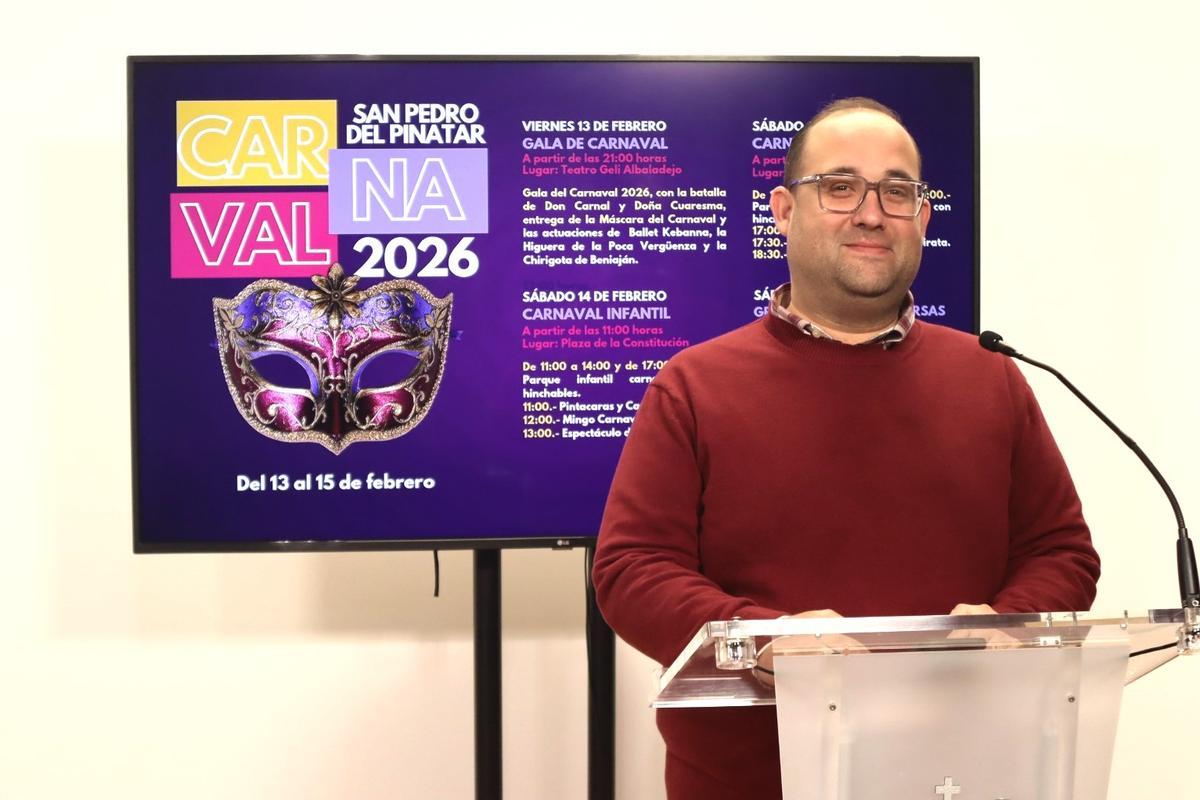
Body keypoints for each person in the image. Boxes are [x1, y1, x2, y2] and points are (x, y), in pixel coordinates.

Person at [590, 97, 1100, 799]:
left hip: (964, 768)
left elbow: (1062, 552)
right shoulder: (694, 385)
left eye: (897, 191)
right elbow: (632, 572)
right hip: (751, 778)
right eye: (839, 187)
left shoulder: (991, 377)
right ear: (782, 211)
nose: (871, 212)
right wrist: (774, 641)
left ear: (922, 219)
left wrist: (1008, 622)